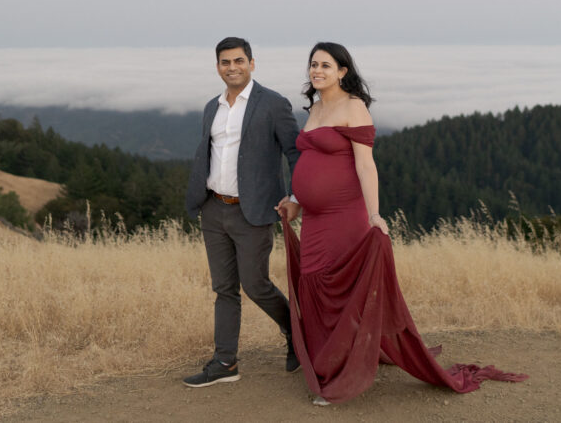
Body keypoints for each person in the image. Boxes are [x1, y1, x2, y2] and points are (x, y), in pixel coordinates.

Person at [277, 42, 527, 404]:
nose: (317, 71)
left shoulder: (354, 106)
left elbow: (365, 165)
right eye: (313, 65)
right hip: (314, 218)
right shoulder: (315, 107)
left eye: (326, 66)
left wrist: (375, 215)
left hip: (345, 215)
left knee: (340, 290)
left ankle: (341, 375)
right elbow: (311, 159)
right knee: (313, 284)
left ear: (343, 71)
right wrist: (298, 201)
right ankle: (329, 358)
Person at [183, 37, 302, 387]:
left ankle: (297, 334)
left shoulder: (274, 104)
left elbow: (295, 153)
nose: (232, 67)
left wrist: (296, 196)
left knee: (256, 284)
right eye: (225, 62)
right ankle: (225, 362)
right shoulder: (212, 107)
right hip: (213, 208)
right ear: (217, 66)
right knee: (224, 289)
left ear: (252, 63)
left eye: (238, 61)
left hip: (253, 211)